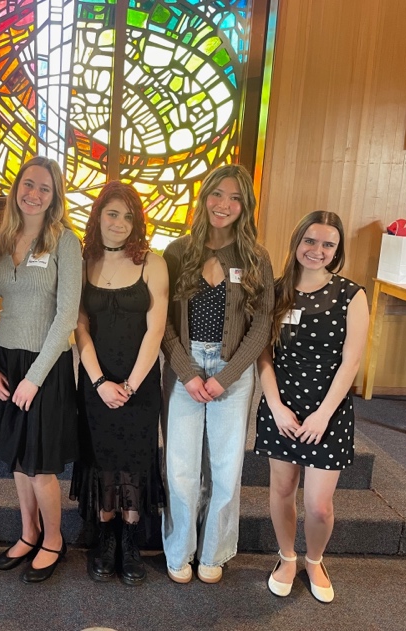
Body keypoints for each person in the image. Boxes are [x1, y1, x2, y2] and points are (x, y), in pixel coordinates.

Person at [161, 163, 274, 584]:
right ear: (204, 195)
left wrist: (225, 377)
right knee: (181, 468)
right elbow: (163, 322)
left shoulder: (254, 257)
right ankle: (180, 550)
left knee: (225, 469)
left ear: (245, 207)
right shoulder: (178, 251)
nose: (223, 204)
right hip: (183, 369)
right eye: (216, 194)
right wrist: (188, 370)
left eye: (234, 198)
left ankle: (214, 552)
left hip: (234, 370)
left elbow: (262, 323)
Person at [0, 156, 82, 583]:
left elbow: (67, 317)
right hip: (5, 362)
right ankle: (27, 532)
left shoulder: (65, 242)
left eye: (44, 188)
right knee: (18, 461)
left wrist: (34, 379)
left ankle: (53, 539)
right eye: (27, 185)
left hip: (46, 365)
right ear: (16, 188)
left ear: (55, 195)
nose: (33, 194)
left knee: (40, 465)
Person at [255, 211, 367, 603]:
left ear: (337, 251)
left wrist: (323, 415)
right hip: (281, 408)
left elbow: (351, 362)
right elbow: (262, 355)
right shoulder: (276, 290)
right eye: (310, 241)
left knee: (318, 506)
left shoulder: (352, 295)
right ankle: (286, 557)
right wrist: (275, 405)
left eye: (327, 244)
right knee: (282, 489)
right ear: (297, 241)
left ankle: (314, 559)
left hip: (328, 411)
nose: (317, 250)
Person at [70, 181, 168, 585]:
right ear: (98, 216)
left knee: (133, 458)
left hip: (139, 381)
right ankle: (105, 536)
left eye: (128, 216)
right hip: (95, 380)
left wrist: (127, 385)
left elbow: (156, 329)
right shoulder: (84, 258)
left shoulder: (152, 261)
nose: (120, 222)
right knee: (102, 456)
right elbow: (79, 325)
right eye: (112, 213)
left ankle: (129, 538)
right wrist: (99, 383)